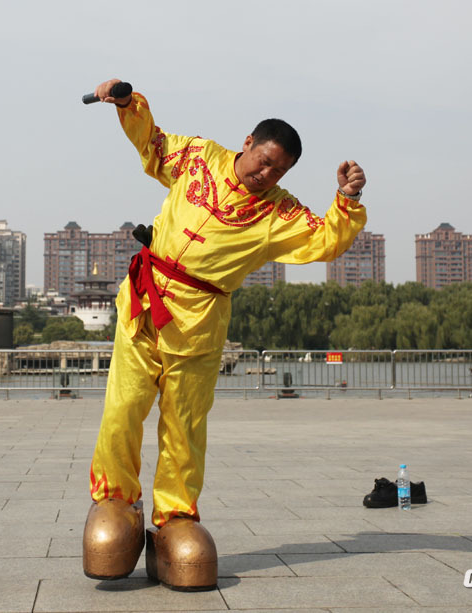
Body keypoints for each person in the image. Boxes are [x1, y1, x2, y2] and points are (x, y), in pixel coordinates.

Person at [82, 78, 367, 591]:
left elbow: (326, 240)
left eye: (279, 170)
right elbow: (153, 144)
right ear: (248, 144)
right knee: (122, 408)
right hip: (143, 304)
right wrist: (128, 102)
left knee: (185, 424)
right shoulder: (197, 157)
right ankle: (116, 500)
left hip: (198, 322)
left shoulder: (280, 211)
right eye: (264, 160)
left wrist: (346, 198)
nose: (267, 173)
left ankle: (174, 517)